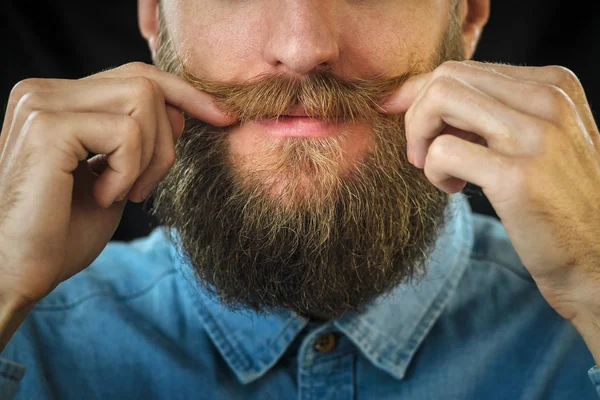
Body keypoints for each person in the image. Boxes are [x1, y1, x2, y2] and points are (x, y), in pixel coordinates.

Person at [1, 0, 599, 398]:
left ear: (466, 16)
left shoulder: (584, 316)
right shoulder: (24, 326)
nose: (303, 45)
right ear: (157, 19)